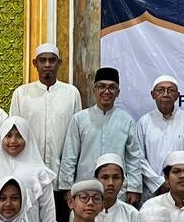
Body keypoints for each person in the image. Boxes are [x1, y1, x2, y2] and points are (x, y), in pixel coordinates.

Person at [10, 42, 83, 222]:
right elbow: (13, 134)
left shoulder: (71, 94)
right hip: (29, 177)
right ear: (35, 63)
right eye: (43, 60)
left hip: (61, 180)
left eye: (52, 60)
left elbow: (76, 138)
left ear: (60, 63)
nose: (47, 64)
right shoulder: (21, 94)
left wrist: (70, 180)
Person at [60, 67, 143, 204]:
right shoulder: (79, 119)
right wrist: (67, 187)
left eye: (112, 87)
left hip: (117, 190)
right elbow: (70, 155)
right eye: (102, 87)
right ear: (94, 90)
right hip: (85, 187)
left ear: (118, 92)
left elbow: (133, 157)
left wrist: (134, 188)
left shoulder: (126, 121)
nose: (107, 91)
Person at [135, 74, 184, 196]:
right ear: (153, 95)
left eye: (171, 90)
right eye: (161, 90)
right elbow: (138, 157)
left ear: (177, 95)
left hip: (182, 188)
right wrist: (159, 183)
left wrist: (177, 180)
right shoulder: (144, 122)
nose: (166, 94)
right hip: (153, 191)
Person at [89, 152, 141, 222]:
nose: (111, 183)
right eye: (105, 177)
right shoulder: (84, 211)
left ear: (123, 181)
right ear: (96, 180)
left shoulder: (132, 214)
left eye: (116, 177)